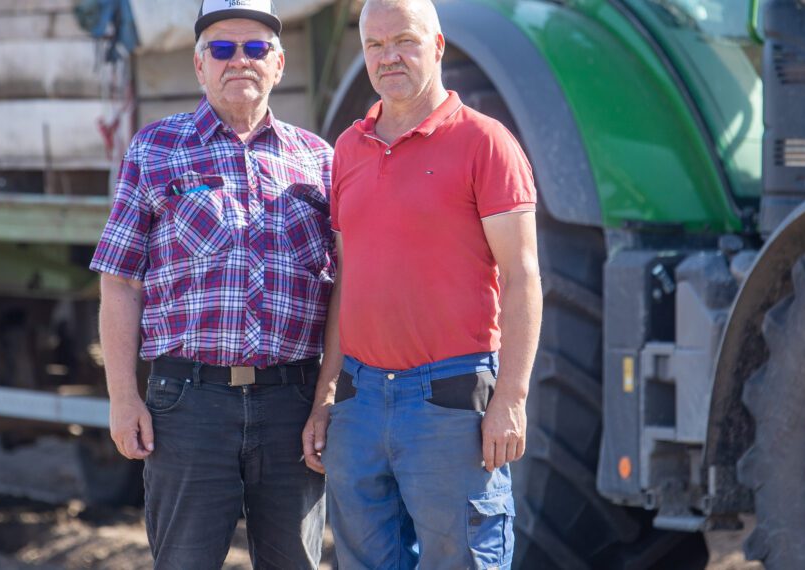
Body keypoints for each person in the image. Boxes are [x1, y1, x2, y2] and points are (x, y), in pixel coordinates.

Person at [89, 0, 334, 567]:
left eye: (255, 48)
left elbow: (344, 286)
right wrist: (122, 397)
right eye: (221, 49)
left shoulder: (319, 162)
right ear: (199, 66)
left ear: (279, 63)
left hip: (290, 406)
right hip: (189, 404)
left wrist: (325, 400)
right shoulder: (156, 150)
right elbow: (120, 281)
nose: (238, 61)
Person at [301, 0, 544, 568]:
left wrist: (510, 397)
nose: (390, 57)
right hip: (359, 405)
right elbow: (347, 281)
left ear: (436, 47)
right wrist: (326, 396)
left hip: (450, 403)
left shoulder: (486, 143)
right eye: (375, 46)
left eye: (404, 41)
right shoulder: (347, 151)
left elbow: (524, 277)